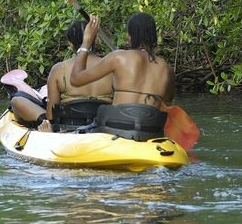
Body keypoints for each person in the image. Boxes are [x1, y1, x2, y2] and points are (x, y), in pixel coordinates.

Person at [70, 12, 174, 140]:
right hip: (150, 131)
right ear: (153, 36)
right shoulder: (166, 68)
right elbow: (168, 99)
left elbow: (75, 79)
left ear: (131, 35)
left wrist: (86, 43)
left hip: (116, 129)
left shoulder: (118, 57)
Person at [38, 20, 114, 132]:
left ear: (70, 44)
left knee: (19, 100)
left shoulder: (59, 70)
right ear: (96, 40)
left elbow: (51, 116)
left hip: (68, 128)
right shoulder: (112, 67)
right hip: (103, 128)